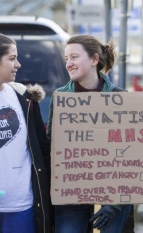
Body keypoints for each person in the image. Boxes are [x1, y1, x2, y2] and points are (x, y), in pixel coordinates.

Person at [46, 35, 131, 233]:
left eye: (74, 57)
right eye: (66, 58)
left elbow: (131, 156)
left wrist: (114, 205)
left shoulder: (121, 98)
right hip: (70, 195)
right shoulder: (60, 99)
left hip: (113, 194)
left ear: (94, 60)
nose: (68, 63)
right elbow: (51, 146)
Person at [0, 33, 52, 232]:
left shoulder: (23, 96)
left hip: (21, 205)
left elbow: (41, 146)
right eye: (12, 58)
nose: (18, 64)